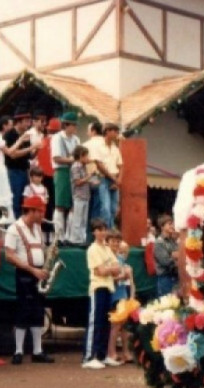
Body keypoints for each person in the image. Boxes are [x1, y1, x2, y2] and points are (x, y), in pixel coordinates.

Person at [4, 195, 54, 365]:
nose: (42, 215)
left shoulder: (38, 228)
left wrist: (49, 255)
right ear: (31, 211)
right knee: (23, 311)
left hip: (39, 273)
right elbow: (9, 255)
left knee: (38, 311)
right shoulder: (14, 229)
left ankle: (37, 350)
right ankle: (18, 351)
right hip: (25, 274)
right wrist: (32, 270)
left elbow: (40, 249)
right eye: (40, 212)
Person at [83, 220, 122, 369]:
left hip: (108, 287)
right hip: (97, 287)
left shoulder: (106, 249)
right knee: (95, 322)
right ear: (94, 232)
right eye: (99, 230)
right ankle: (89, 357)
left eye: (104, 229)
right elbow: (100, 271)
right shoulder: (92, 249)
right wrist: (110, 268)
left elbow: (117, 267)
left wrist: (109, 268)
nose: (102, 232)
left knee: (105, 323)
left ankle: (101, 355)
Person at [3, 112, 40, 220]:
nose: (28, 124)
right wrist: (30, 147)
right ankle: (15, 222)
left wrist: (37, 148)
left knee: (25, 199)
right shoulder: (9, 134)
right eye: (26, 121)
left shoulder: (26, 136)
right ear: (19, 122)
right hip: (13, 171)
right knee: (16, 198)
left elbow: (29, 156)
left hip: (24, 170)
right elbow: (12, 155)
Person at [51, 112, 79, 241]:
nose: (75, 128)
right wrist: (72, 160)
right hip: (61, 172)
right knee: (60, 205)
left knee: (74, 204)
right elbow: (56, 158)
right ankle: (59, 236)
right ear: (66, 125)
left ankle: (70, 236)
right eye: (74, 125)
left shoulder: (76, 139)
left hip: (74, 171)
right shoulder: (57, 138)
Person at [107, 237, 135, 364]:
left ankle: (126, 352)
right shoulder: (114, 261)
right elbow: (113, 279)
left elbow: (132, 283)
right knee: (116, 325)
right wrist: (123, 275)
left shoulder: (125, 264)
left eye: (125, 251)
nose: (123, 253)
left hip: (124, 296)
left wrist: (132, 298)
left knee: (124, 326)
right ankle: (111, 352)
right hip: (116, 295)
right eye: (121, 250)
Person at [67, 146, 93, 246]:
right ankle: (74, 239)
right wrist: (88, 177)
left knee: (83, 219)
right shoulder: (75, 166)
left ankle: (82, 239)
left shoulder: (83, 166)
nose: (88, 158)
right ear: (81, 156)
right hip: (78, 196)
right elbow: (77, 182)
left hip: (85, 196)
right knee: (77, 218)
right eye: (86, 156)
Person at [154, 215, 179, 296]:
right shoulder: (159, 242)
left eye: (172, 224)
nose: (172, 226)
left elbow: (179, 255)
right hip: (165, 279)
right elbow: (166, 262)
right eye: (169, 224)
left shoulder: (173, 241)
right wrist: (175, 256)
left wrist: (175, 255)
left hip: (175, 277)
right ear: (162, 227)